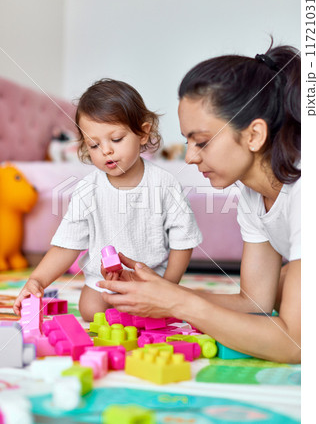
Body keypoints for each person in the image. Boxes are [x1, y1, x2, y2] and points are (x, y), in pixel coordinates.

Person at [97, 44, 301, 364]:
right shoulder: (252, 194)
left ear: (254, 135)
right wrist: (158, 293)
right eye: (188, 141)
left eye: (202, 142)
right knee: (283, 285)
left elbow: (296, 344)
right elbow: (255, 302)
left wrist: (177, 303)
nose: (190, 157)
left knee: (289, 282)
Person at [13, 79, 202, 321]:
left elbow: (183, 241)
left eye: (116, 139)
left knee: (160, 315)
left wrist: (168, 287)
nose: (106, 151)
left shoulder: (165, 184)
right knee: (90, 311)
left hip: (151, 279)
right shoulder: (87, 190)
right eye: (94, 144)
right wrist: (36, 280)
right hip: (102, 282)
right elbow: (67, 245)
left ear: (143, 134)